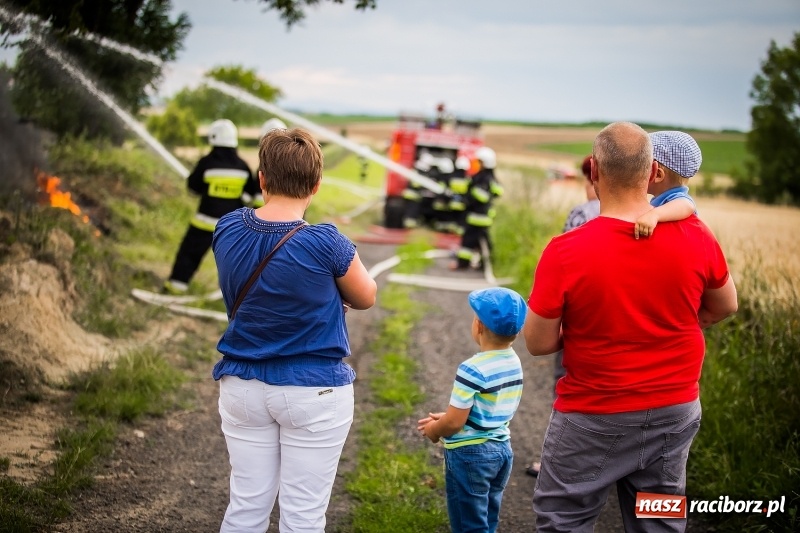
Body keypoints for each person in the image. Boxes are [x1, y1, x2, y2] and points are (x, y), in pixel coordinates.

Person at [523, 121, 738, 532]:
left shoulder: (565, 250)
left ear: (596, 172)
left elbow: (538, 342)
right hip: (676, 410)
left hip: (593, 414)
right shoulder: (697, 234)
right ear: (651, 172)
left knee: (563, 518)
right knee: (659, 516)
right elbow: (726, 304)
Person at [211, 127, 377, 532]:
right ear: (316, 185)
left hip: (242, 385)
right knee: (303, 515)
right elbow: (367, 295)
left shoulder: (228, 227)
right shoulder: (326, 242)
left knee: (245, 507)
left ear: (262, 179)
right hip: (314, 390)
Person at [418, 287, 526, 533]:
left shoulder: (472, 368)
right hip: (501, 451)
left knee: (469, 523)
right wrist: (447, 418)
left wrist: (436, 429)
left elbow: (455, 424)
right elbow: (485, 411)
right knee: (488, 517)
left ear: (478, 325)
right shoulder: (513, 361)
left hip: (470, 455)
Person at [525, 154, 598, 478]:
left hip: (580, 325)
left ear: (593, 180)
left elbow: (570, 270)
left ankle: (558, 463)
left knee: (567, 389)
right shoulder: (653, 216)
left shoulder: (581, 214)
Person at [163, 119, 258, 294]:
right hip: (231, 227)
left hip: (204, 223)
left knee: (189, 255)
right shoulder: (243, 167)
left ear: (213, 138)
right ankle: (236, 296)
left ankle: (175, 288)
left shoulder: (207, 163)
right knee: (234, 263)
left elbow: (193, 189)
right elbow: (249, 195)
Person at [634, 130, 702, 240]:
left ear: (657, 175)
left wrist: (654, 215)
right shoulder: (663, 198)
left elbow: (687, 205)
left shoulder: (678, 199)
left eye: (641, 165)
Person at [453, 146, 503, 270]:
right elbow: (497, 192)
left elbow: (482, 196)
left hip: (477, 216)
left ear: (485, 163)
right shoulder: (488, 177)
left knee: (468, 242)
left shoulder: (483, 179)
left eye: (478, 162)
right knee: (483, 242)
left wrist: (469, 195)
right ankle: (484, 264)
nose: (476, 165)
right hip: (483, 216)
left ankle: (462, 264)